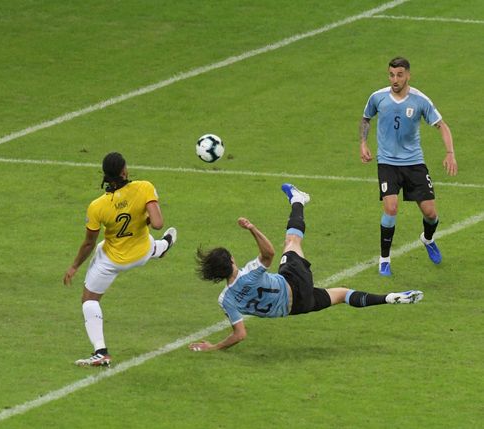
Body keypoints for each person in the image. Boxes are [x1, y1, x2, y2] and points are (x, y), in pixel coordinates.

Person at [188, 184, 423, 352]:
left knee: (341, 294)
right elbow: (268, 254)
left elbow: (240, 334)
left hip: (296, 307)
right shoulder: (248, 273)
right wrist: (252, 228)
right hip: (294, 282)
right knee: (291, 242)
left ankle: (389, 298)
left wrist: (213, 347)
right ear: (231, 261)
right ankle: (298, 199)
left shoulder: (225, 300)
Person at [64, 152, 177, 367]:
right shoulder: (144, 187)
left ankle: (101, 352)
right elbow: (159, 223)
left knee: (89, 300)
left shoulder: (97, 206)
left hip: (112, 261)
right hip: (142, 252)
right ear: (124, 171)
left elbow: (88, 243)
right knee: (152, 244)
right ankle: (162, 247)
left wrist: (74, 266)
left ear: (106, 176)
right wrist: (142, 217)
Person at [359, 56, 457, 276]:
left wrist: (450, 153)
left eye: (399, 75)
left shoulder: (419, 100)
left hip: (414, 163)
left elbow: (442, 126)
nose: (395, 79)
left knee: (431, 214)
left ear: (408, 75)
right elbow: (366, 118)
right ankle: (384, 259)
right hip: (387, 163)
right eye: (392, 74)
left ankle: (428, 239)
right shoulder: (378, 97)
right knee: (391, 207)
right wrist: (363, 143)